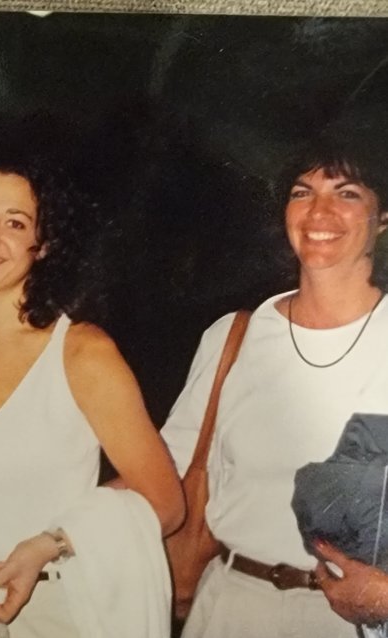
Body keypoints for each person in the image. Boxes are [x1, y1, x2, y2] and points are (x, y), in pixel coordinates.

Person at [0, 152, 184, 638]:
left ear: (43, 244)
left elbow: (165, 502)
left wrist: (48, 544)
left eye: (15, 222)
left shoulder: (80, 352)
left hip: (50, 610)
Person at [161, 137, 388, 638]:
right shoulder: (234, 337)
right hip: (228, 606)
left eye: (347, 193)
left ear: (383, 216)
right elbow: (159, 470)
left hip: (348, 623)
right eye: (302, 192)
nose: (319, 212)